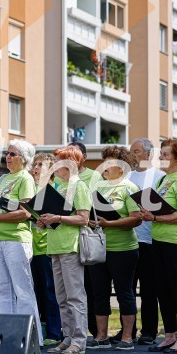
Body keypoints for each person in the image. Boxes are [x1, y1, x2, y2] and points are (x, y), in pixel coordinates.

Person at [0, 139, 41, 345]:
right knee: (2, 289)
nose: (8, 157)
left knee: (22, 289)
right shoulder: (4, 178)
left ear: (24, 159)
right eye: (7, 153)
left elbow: (25, 213)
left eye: (13, 154)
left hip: (16, 239)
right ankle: (9, 336)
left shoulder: (25, 179)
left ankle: (31, 337)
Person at [139, 139, 177, 353]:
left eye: (165, 154)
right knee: (162, 289)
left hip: (176, 242)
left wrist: (154, 217)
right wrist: (147, 212)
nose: (160, 157)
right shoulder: (164, 180)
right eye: (161, 153)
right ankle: (169, 334)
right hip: (158, 240)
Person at [87, 146, 142, 351]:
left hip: (124, 249)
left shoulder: (130, 187)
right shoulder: (97, 187)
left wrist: (110, 224)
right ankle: (101, 336)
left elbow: (136, 219)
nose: (105, 167)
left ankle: (127, 337)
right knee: (99, 292)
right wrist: (92, 221)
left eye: (110, 163)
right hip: (99, 248)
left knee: (124, 292)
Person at [38, 146, 91, 354]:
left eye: (60, 161)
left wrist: (57, 218)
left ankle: (79, 339)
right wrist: (43, 220)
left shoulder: (79, 186)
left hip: (71, 245)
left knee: (75, 295)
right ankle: (68, 336)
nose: (56, 165)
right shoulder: (60, 186)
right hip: (56, 245)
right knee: (61, 295)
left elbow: (84, 218)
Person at [126, 138, 165, 345]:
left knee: (149, 288)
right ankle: (127, 332)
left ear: (148, 155)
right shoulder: (128, 176)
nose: (132, 155)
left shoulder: (159, 177)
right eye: (131, 151)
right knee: (128, 288)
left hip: (150, 239)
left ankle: (149, 331)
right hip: (129, 239)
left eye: (136, 151)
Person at [67, 141, 102, 340]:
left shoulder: (92, 176)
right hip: (68, 237)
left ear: (84, 157)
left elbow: (95, 205)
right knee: (73, 290)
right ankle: (74, 331)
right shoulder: (61, 179)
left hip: (86, 236)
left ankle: (97, 332)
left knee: (90, 286)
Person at [29, 153, 62, 346]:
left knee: (51, 291)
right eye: (35, 164)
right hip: (30, 247)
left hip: (48, 247)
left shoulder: (56, 190)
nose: (36, 168)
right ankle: (39, 330)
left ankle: (54, 332)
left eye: (41, 165)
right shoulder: (30, 188)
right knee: (35, 291)